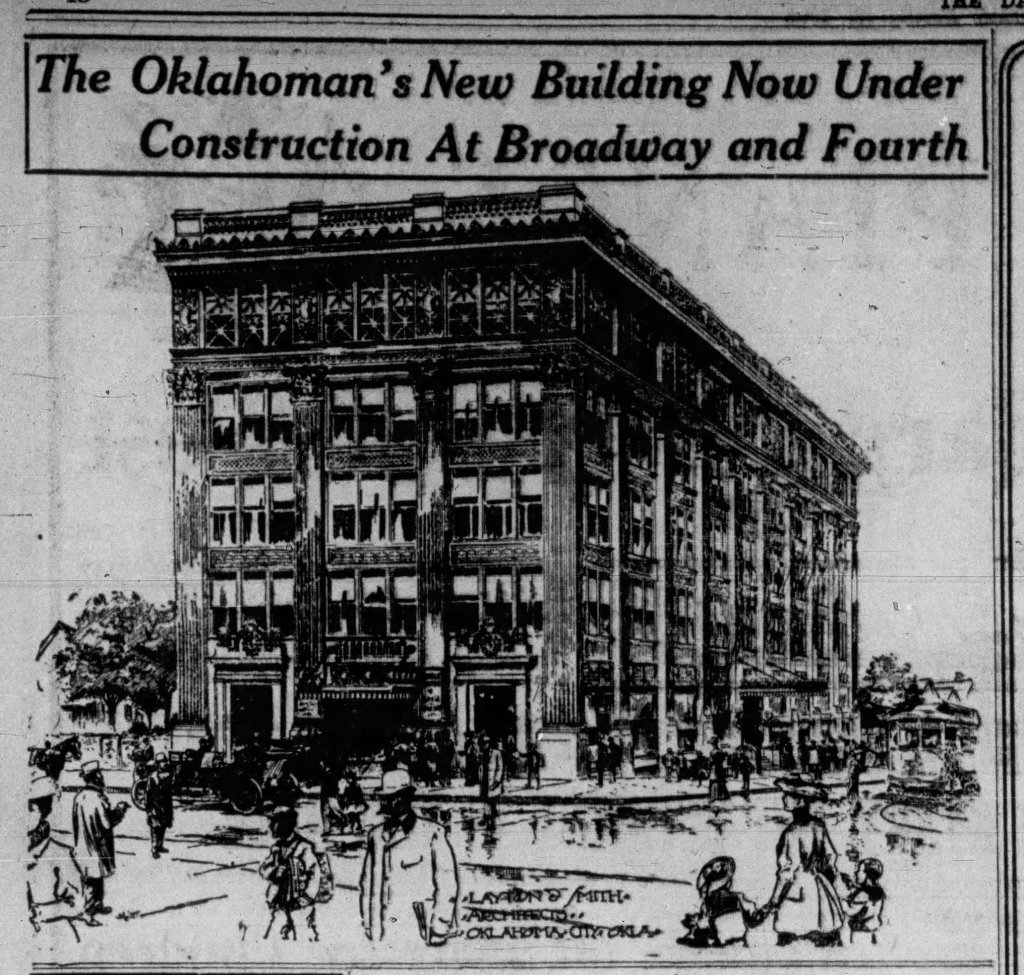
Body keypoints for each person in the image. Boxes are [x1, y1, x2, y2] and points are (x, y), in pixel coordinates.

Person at [359, 768, 460, 945]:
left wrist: (439, 927)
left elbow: (447, 884)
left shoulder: (432, 832)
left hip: (417, 930)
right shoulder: (375, 836)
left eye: (391, 797)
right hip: (381, 931)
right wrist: (368, 924)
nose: (385, 802)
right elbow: (367, 883)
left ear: (405, 798)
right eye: (384, 797)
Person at [762, 774, 844, 947]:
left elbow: (786, 874)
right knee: (824, 931)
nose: (783, 798)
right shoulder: (819, 826)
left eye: (788, 795)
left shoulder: (791, 833)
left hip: (797, 894)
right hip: (821, 890)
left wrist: (774, 901)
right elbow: (831, 858)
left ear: (800, 801)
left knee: (790, 937)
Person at [71, 760, 130, 924]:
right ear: (95, 777)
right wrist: (120, 809)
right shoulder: (95, 798)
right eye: (99, 774)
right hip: (94, 845)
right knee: (93, 878)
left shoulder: (80, 796)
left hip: (85, 843)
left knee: (96, 876)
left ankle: (98, 905)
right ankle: (88, 912)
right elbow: (107, 822)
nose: (102, 776)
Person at [259, 805, 322, 941]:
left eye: (274, 822)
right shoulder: (276, 848)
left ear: (284, 824)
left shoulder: (304, 848)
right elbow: (264, 869)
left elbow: (315, 875)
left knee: (304, 937)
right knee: (274, 939)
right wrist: (275, 872)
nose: (270, 826)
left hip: (299, 905)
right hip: (280, 903)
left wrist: (306, 898)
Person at [678, 855, 763, 948]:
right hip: (738, 938)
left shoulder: (706, 903)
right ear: (729, 882)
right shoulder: (739, 897)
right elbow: (752, 915)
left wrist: (695, 924)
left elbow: (703, 924)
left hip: (720, 940)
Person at [842, 857, 886, 944]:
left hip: (860, 935)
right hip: (872, 931)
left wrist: (841, 902)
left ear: (868, 874)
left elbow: (850, 912)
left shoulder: (863, 894)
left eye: (859, 870)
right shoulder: (878, 891)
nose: (855, 872)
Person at [144, 752, 174, 858]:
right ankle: (154, 849)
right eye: (161, 762)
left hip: (165, 805)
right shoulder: (152, 776)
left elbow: (170, 791)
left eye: (165, 761)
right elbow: (147, 792)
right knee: (155, 828)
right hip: (155, 806)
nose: (164, 764)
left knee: (164, 826)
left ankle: (160, 845)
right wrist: (148, 808)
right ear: (157, 764)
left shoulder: (169, 775)